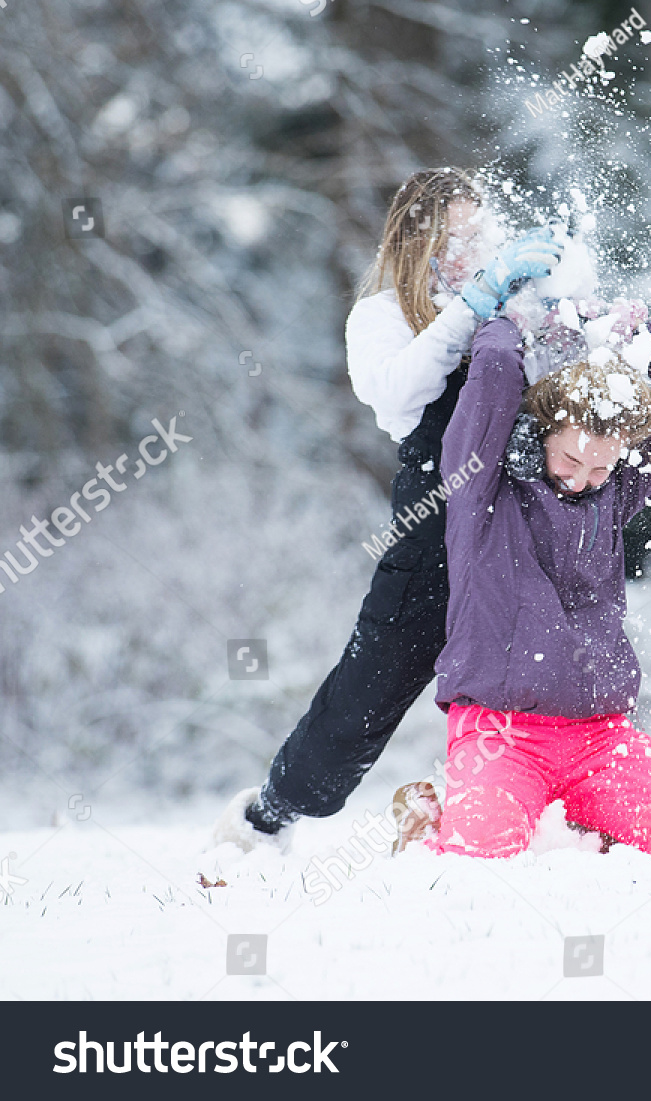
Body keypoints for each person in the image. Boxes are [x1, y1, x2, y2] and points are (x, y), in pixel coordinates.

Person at [213, 168, 563, 850]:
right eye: (454, 235)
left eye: (479, 232)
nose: (470, 248)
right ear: (419, 239)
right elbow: (397, 396)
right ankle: (267, 817)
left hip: (510, 508)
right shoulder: (380, 314)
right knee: (372, 684)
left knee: (535, 662)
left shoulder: (504, 305)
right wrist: (475, 306)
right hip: (432, 517)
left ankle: (527, 813)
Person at [394, 298, 651, 859]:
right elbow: (495, 377)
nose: (583, 480)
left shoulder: (615, 494)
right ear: (543, 434)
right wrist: (513, 319)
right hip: (499, 736)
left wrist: (639, 330)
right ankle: (430, 818)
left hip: (600, 736)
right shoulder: (482, 489)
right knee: (476, 865)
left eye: (601, 466)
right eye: (570, 462)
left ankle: (582, 821)